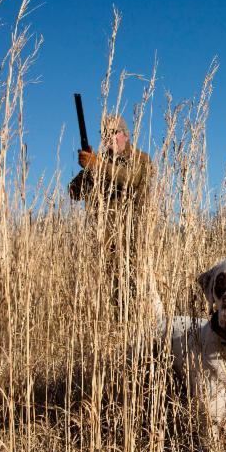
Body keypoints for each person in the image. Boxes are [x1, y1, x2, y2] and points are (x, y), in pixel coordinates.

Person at [69, 114, 154, 311]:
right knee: (108, 298)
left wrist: (97, 166)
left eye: (113, 133)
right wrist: (87, 170)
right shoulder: (98, 161)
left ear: (125, 134)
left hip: (132, 241)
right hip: (104, 242)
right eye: (104, 134)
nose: (108, 138)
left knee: (134, 297)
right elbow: (73, 193)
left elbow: (131, 179)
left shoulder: (140, 159)